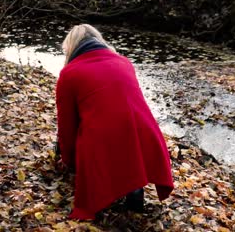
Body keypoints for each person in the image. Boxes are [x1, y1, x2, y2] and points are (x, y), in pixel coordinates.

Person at [56, 24, 174, 220]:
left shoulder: (69, 74)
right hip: (144, 134)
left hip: (105, 139)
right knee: (120, 126)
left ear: (70, 47)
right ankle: (135, 189)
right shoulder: (124, 62)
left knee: (100, 130)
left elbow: (66, 125)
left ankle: (114, 188)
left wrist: (68, 160)